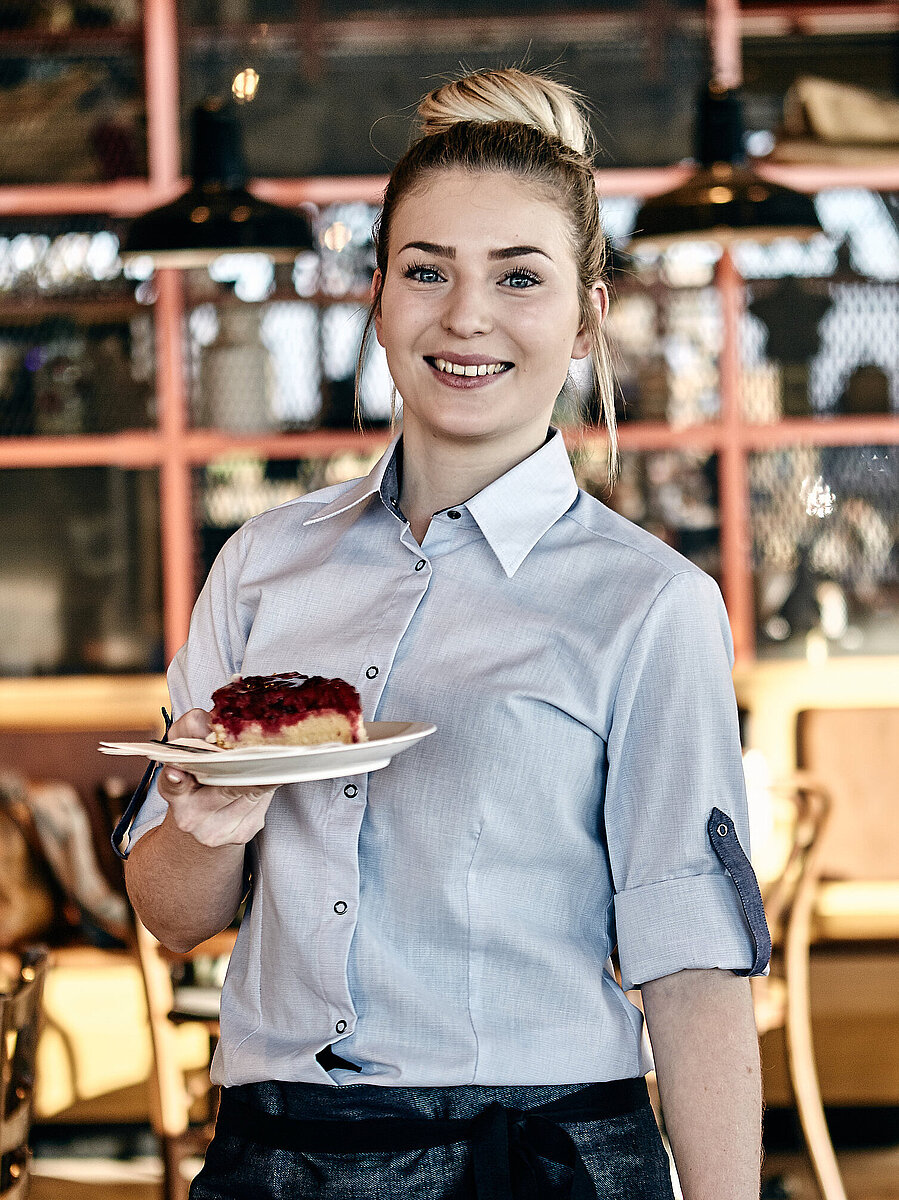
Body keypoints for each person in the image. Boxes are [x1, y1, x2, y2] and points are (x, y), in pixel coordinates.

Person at [122, 67, 770, 1200]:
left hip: (533, 1160)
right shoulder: (263, 566)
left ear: (584, 320)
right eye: (426, 271)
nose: (465, 317)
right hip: (271, 1156)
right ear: (375, 298)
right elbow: (173, 914)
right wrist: (209, 825)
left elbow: (692, 966)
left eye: (518, 278)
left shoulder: (647, 605)